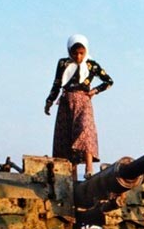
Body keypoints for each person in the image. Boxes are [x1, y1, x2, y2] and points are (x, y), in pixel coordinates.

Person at [44, 34, 114, 178]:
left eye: (81, 53)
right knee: (67, 138)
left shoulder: (91, 65)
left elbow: (109, 81)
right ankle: (72, 176)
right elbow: (57, 83)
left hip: (84, 101)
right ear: (69, 51)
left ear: (86, 51)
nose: (78, 57)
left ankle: (89, 169)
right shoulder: (63, 64)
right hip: (66, 102)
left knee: (85, 130)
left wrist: (95, 91)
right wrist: (49, 101)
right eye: (75, 53)